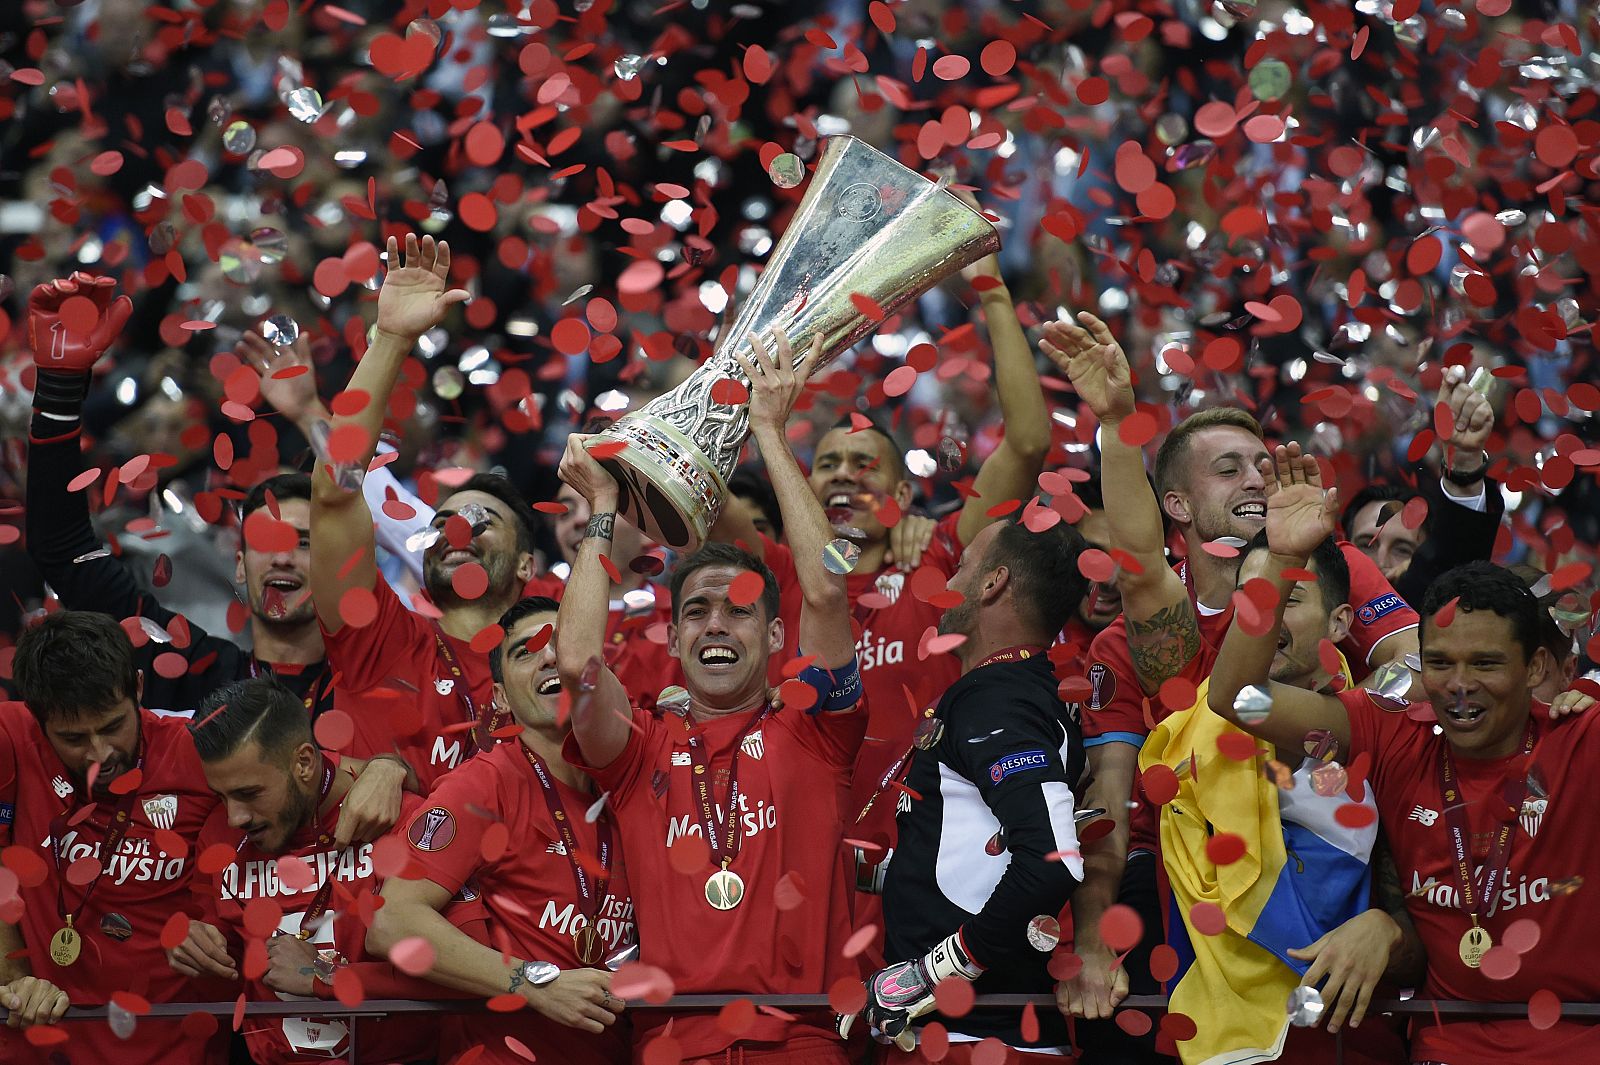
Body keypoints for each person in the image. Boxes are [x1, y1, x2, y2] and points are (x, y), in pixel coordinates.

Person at [1038, 312, 1421, 1040]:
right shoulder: (1137, 639)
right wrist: (1095, 935)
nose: (1257, 477)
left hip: (1342, 860)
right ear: (1175, 505)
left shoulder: (1327, 567)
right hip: (1189, 893)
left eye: (1260, 461)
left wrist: (1350, 725)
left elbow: (1421, 665)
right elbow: (1109, 804)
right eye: (1229, 468)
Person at [1206, 444, 1600, 1065]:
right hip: (1444, 1047)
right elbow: (1239, 699)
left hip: (1576, 1042)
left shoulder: (1581, 741)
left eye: (1487, 664)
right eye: (1439, 662)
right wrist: (1281, 561)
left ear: (1539, 668)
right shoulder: (1392, 731)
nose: (1458, 685)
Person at [556, 331, 864, 1063]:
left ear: (777, 634)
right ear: (671, 635)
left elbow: (824, 583)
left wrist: (769, 432)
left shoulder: (816, 731)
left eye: (738, 608)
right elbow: (576, 660)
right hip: (671, 1044)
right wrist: (603, 507)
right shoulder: (638, 751)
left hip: (800, 1041)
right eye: (696, 610)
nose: (716, 623)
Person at [709, 222, 1053, 829]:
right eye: (829, 465)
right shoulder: (780, 576)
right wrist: (737, 369)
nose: (844, 476)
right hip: (804, 859)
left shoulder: (943, 560)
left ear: (901, 493)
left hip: (927, 859)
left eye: (864, 464)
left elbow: (1026, 443)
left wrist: (990, 289)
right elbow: (706, 499)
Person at [0, 611, 412, 1063]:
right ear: (37, 720)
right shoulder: (13, 740)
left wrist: (389, 769)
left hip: (173, 1045)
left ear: (138, 689)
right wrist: (11, 976)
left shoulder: (198, 752)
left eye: (113, 725)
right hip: (40, 1040)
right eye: (74, 738)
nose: (101, 753)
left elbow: (308, 772)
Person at [841, 516, 1090, 1059]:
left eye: (962, 567)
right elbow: (976, 853)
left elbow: (1053, 859)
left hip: (976, 1038)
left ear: (991, 583)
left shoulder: (993, 698)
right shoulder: (1023, 689)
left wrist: (936, 972)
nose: (949, 581)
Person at [309, 234, 536, 788]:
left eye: (482, 521)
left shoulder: (553, 664)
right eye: (441, 524)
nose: (456, 529)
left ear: (529, 568)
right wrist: (389, 339)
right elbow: (338, 488)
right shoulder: (379, 639)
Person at [370, 596, 632, 1065]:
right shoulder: (484, 784)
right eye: (525, 652)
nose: (550, 656)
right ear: (501, 698)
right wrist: (532, 983)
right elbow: (392, 923)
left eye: (561, 641)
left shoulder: (631, 775)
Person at [174, 678, 471, 1065]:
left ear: (303, 763)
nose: (235, 816)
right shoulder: (220, 835)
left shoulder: (401, 818)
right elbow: (227, 961)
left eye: (249, 793)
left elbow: (467, 975)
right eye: (221, 796)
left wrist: (325, 974)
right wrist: (196, 949)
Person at [1342, 365, 1503, 607]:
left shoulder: (1426, 625)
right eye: (1366, 545)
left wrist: (1464, 462)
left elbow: (1454, 559)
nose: (1381, 563)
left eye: (1402, 550)